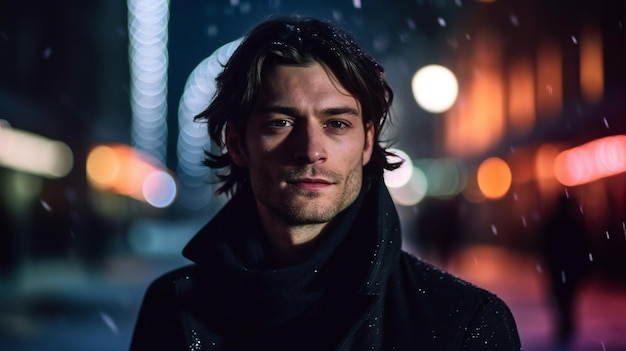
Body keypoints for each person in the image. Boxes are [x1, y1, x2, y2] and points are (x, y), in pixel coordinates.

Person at [130, 15, 521, 350]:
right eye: (280, 123)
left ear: (368, 141)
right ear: (236, 143)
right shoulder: (173, 308)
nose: (311, 150)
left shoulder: (462, 324)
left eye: (336, 124)